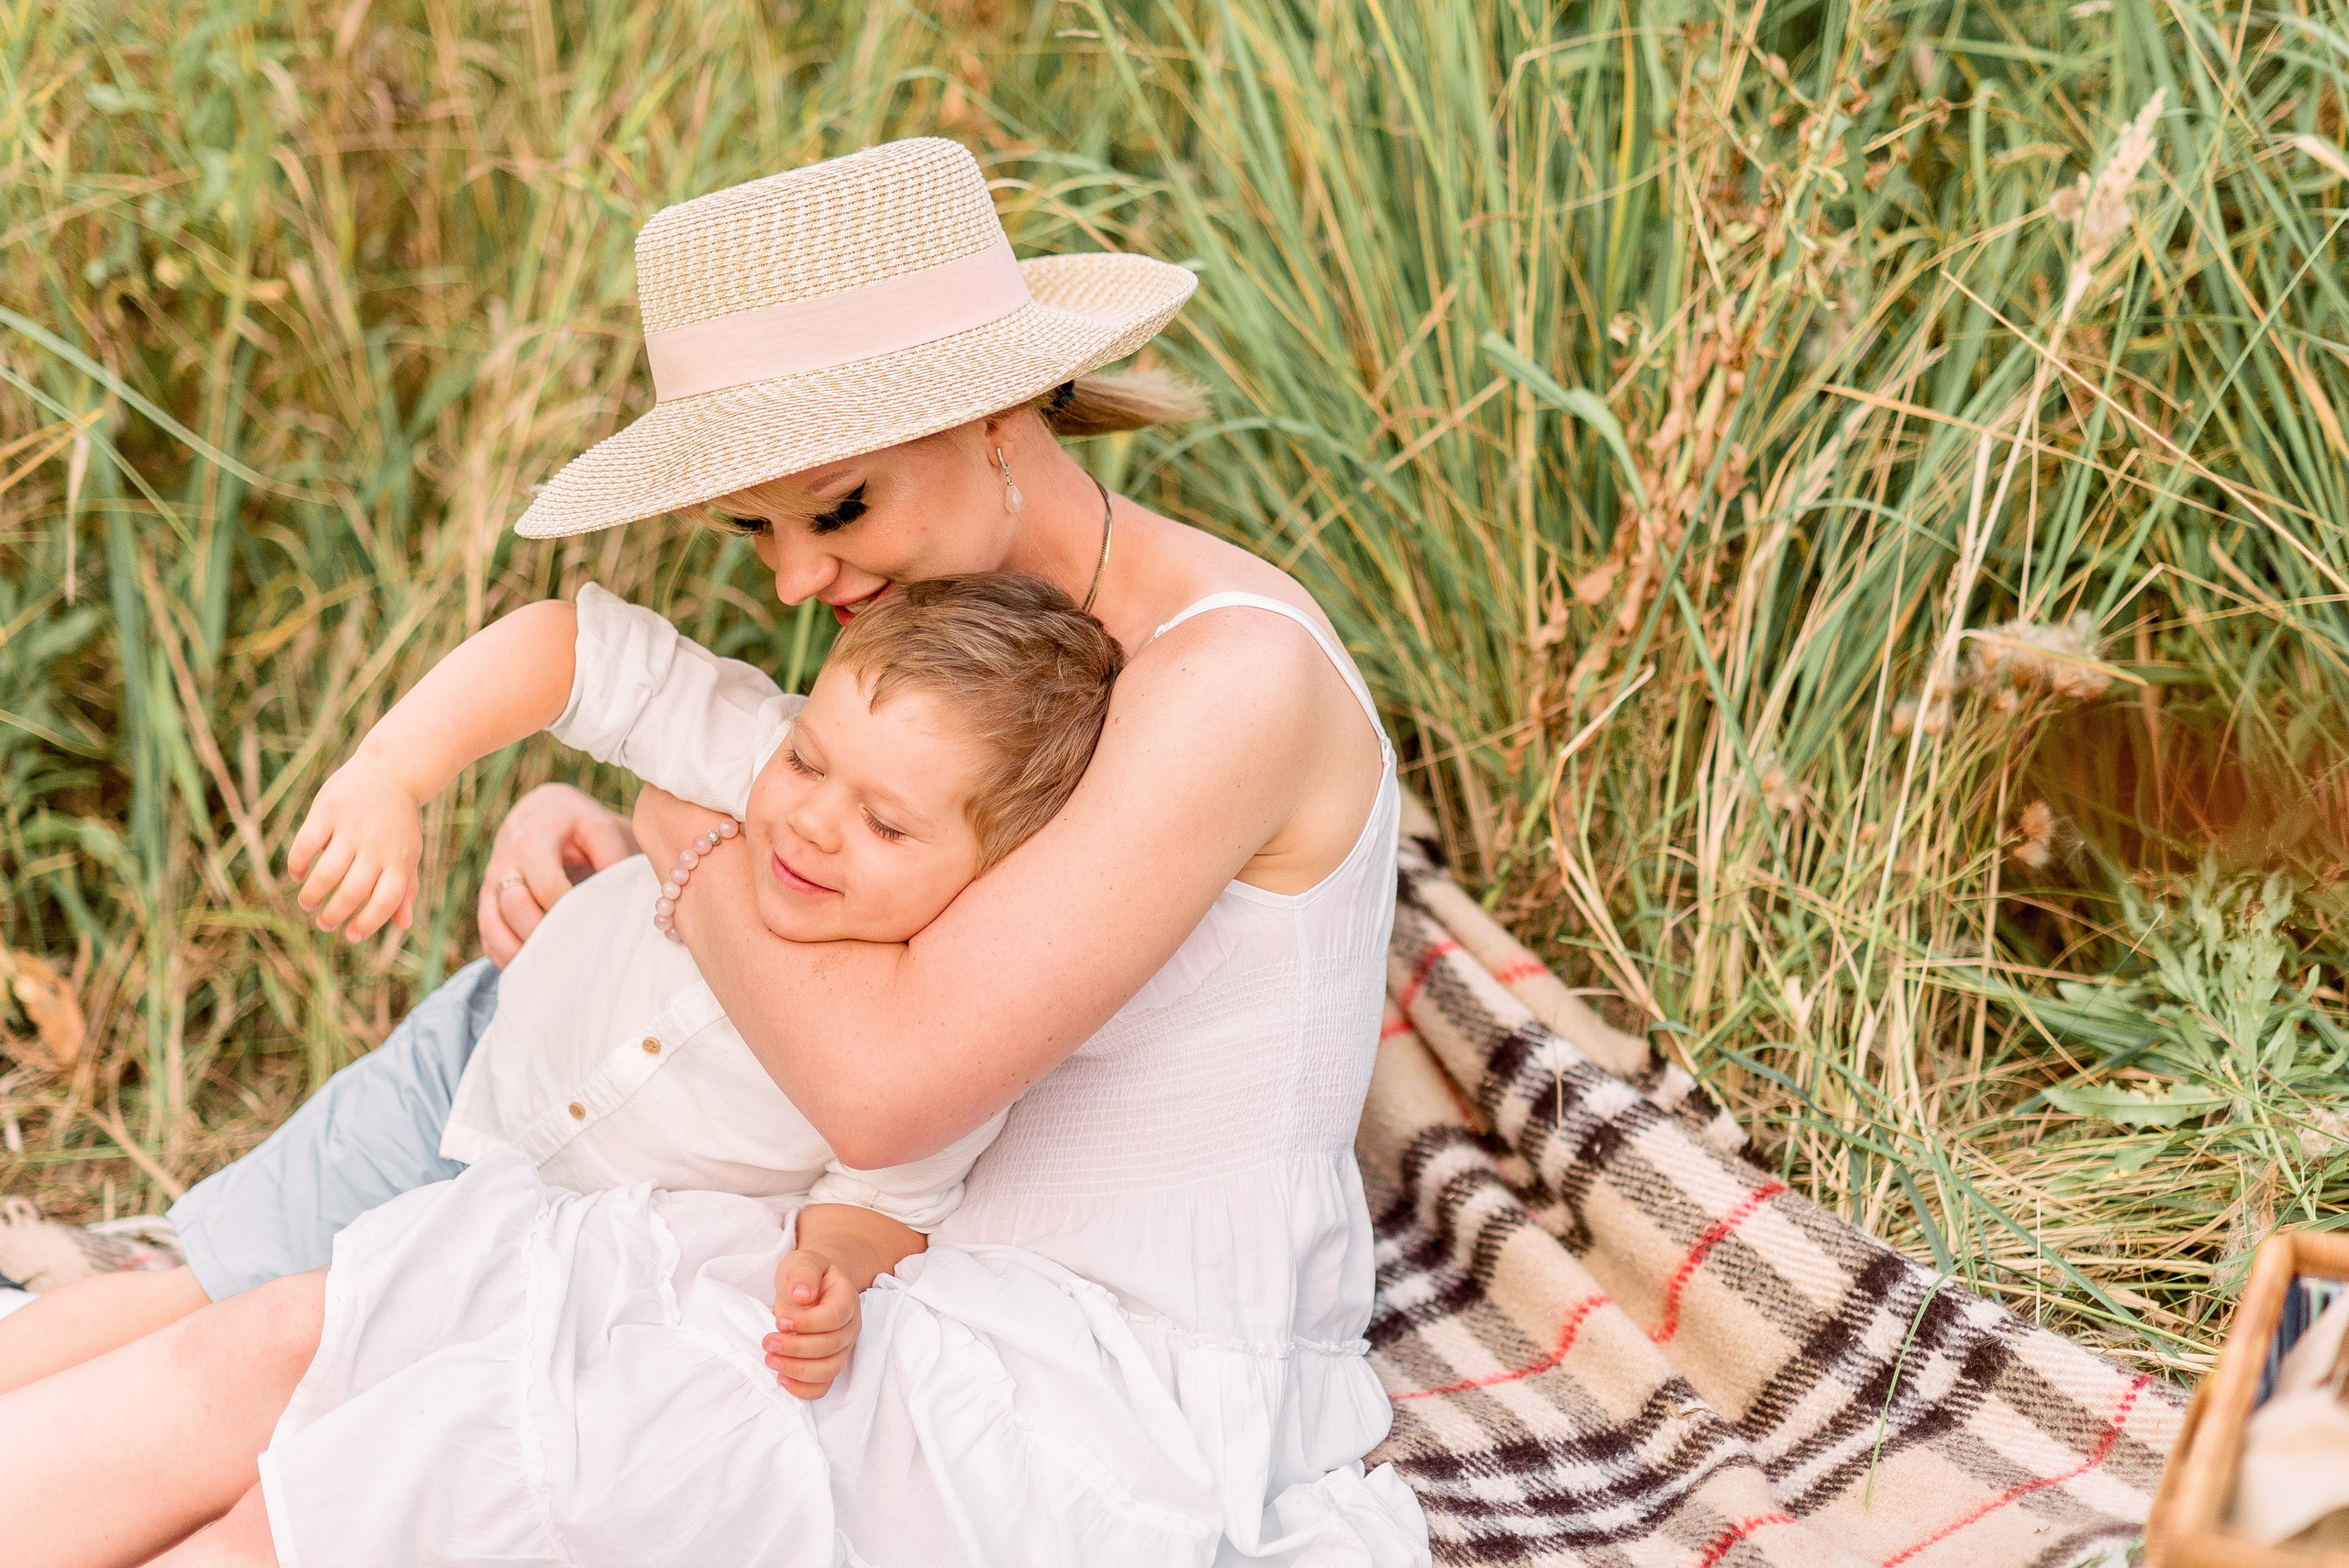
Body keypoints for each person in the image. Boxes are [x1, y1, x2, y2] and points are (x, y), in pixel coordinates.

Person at [0, 136, 1428, 1567]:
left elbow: (885, 1083)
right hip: (857, 1246)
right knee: (292, 1341)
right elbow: (849, 871)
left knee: (397, 1440)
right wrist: (633, 820)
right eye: (759, 527)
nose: (801, 580)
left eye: (841, 507)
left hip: (1079, 1354)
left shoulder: (1227, 677)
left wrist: (695, 839)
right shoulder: (968, 645)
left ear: (998, 412)